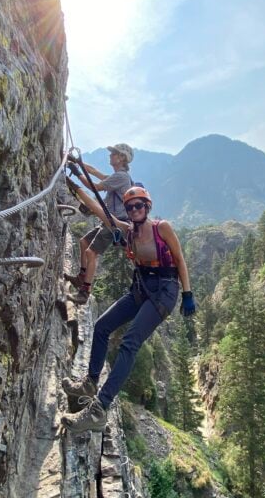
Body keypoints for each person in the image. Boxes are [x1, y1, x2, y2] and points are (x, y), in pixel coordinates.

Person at [60, 182, 197, 433]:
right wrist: (76, 185)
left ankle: (99, 409)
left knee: (130, 342)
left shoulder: (162, 228)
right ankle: (90, 383)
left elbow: (179, 259)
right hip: (141, 287)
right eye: (130, 207)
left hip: (164, 291)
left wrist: (187, 293)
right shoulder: (127, 231)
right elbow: (100, 210)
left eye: (139, 205)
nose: (134, 210)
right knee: (101, 326)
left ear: (147, 206)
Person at [64, 143, 134, 305]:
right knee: (84, 242)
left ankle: (85, 292)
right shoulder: (118, 176)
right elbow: (94, 171)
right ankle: (81, 277)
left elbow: (94, 186)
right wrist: (77, 161)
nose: (110, 155)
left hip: (115, 223)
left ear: (122, 158)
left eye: (114, 153)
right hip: (109, 221)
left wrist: (77, 173)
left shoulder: (121, 177)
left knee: (91, 252)